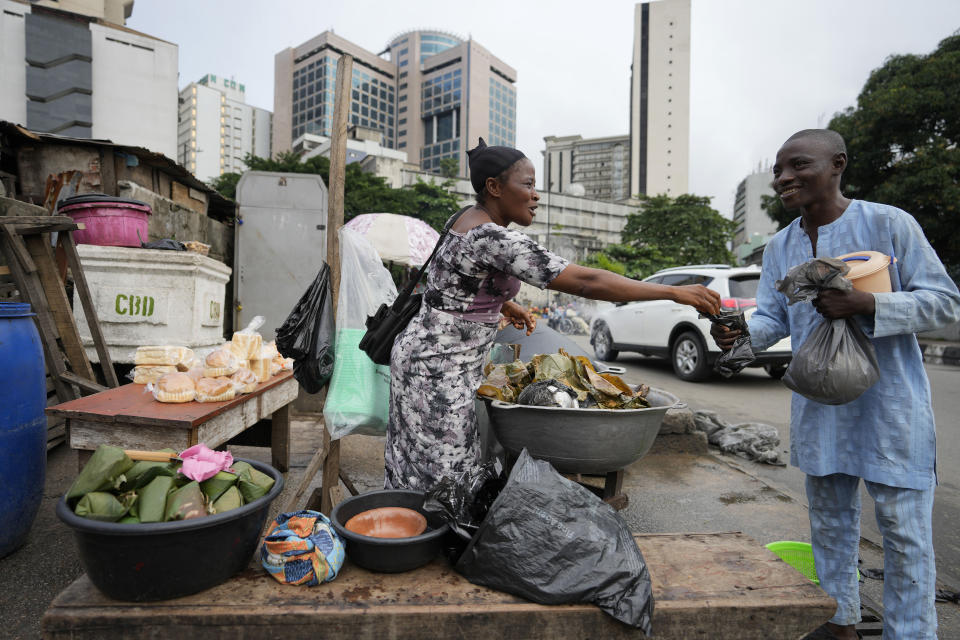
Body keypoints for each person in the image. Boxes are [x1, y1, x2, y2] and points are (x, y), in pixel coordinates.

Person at [712, 129, 960, 640]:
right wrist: (739, 334)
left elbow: (944, 301)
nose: (784, 178)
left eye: (797, 165)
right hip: (820, 403)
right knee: (828, 523)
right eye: (779, 170)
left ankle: (909, 633)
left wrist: (868, 304)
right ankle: (839, 622)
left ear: (838, 164)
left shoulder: (888, 224)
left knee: (903, 530)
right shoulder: (781, 245)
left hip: (889, 404)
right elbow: (774, 319)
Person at [384, 138, 721, 492]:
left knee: (421, 465)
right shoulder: (492, 237)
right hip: (437, 369)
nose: (536, 195)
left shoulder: (465, 218)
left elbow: (452, 286)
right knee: (441, 473)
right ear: (495, 188)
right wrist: (675, 292)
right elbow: (587, 281)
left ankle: (414, 533)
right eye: (527, 184)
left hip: (426, 358)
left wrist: (504, 303)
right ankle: (420, 540)